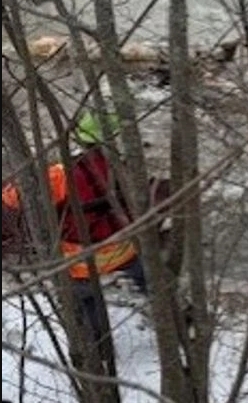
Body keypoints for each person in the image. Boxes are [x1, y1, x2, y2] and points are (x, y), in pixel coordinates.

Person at [1, 110, 146, 369]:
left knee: (86, 301)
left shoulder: (62, 174)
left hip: (81, 259)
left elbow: (14, 199)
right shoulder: (127, 169)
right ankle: (178, 314)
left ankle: (99, 351)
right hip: (126, 249)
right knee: (150, 276)